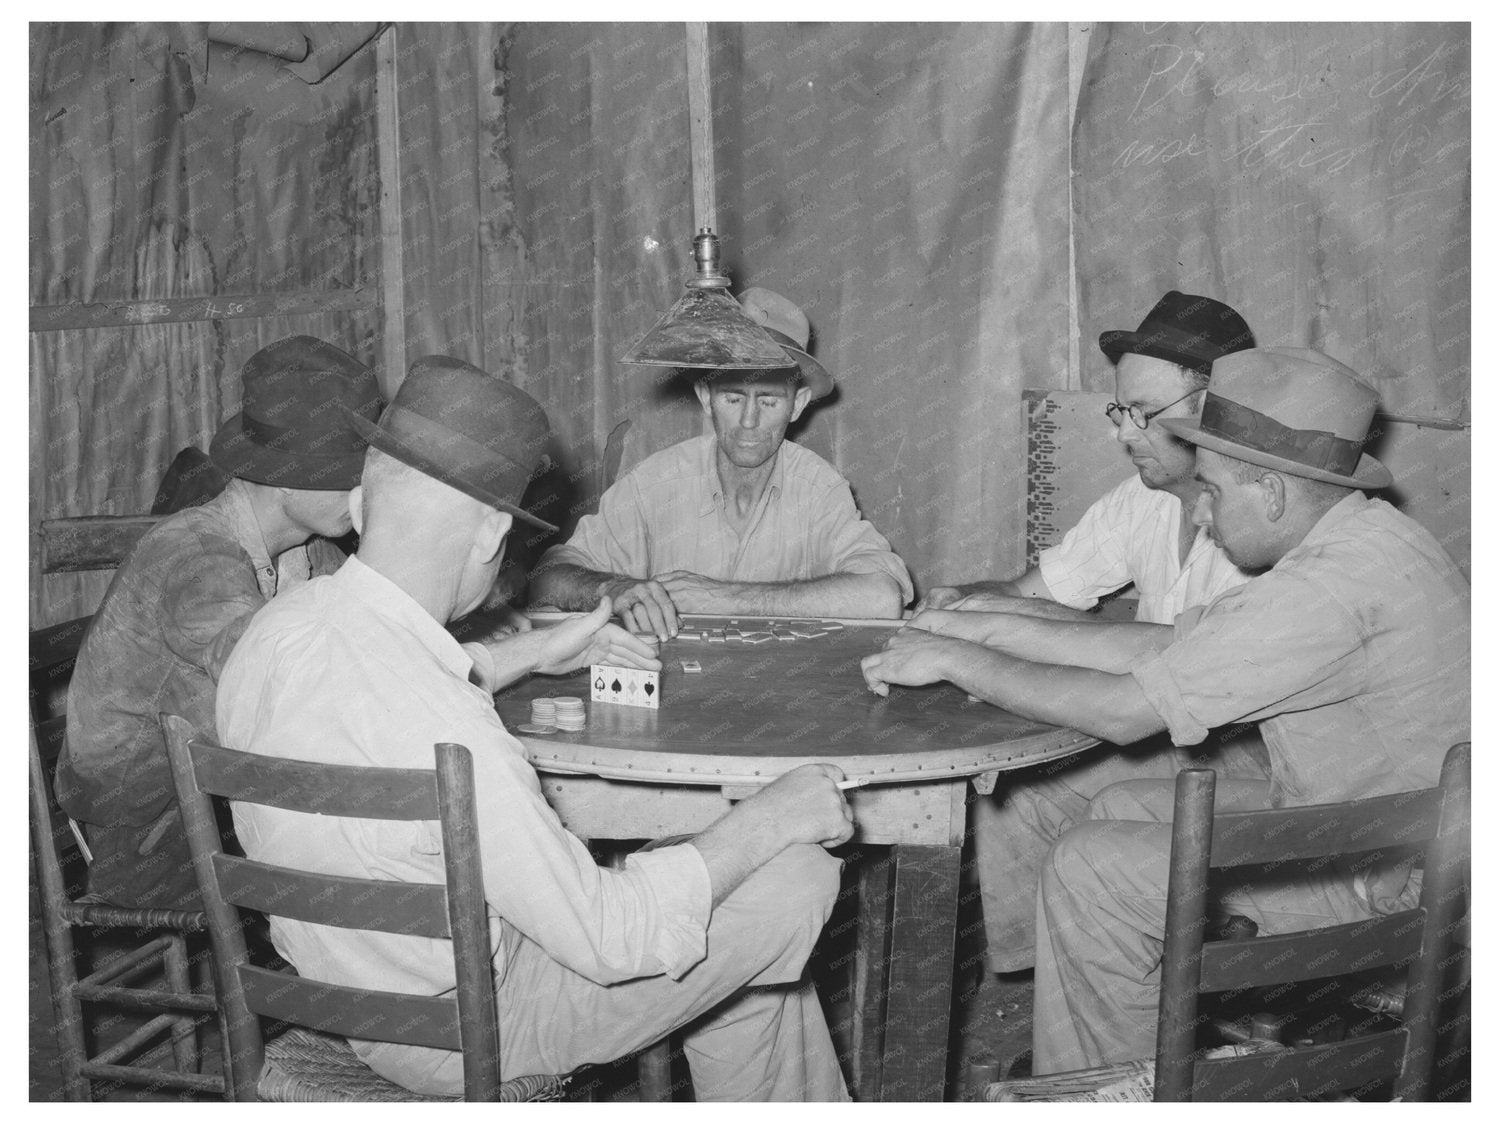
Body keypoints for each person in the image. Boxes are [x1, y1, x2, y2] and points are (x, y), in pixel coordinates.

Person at [217, 356, 855, 1100]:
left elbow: (391, 689)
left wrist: (539, 649)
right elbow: (612, 941)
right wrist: (774, 815)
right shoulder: (457, 733)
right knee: (794, 874)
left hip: (347, 996)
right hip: (466, 1035)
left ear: (361, 505)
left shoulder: (277, 631)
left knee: (722, 913)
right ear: (490, 533)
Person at [860, 348, 1471, 1073]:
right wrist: (988, 625)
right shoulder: (1362, 541)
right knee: (1119, 804)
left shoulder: (1326, 589)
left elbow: (1124, 711)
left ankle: (1108, 1091)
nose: (1201, 514)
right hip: (1388, 833)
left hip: (1384, 881)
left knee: (1093, 868)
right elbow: (1171, 644)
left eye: (1210, 490)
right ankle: (1144, 1047)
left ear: (1272, 492)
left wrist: (960, 662)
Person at [921, 291, 1264, 974]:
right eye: (1120, 411)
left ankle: (1196, 973)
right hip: (1170, 732)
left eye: (1143, 414)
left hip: (1250, 753)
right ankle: (1052, 980)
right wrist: (959, 602)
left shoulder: (1262, 515)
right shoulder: (1141, 499)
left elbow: (1177, 664)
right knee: (1012, 794)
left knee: (1081, 803)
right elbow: (1033, 594)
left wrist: (978, 639)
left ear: (1215, 409)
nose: (1122, 434)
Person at [55, 336, 381, 909]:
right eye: (349, 475)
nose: (365, 493)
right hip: (147, 834)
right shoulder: (196, 558)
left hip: (222, 798)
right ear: (284, 476)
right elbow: (281, 683)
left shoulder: (308, 549)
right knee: (379, 859)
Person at [530, 288, 911, 637]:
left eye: (768, 401)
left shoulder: (819, 488)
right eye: (732, 399)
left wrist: (722, 598)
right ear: (705, 398)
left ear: (796, 404)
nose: (749, 421)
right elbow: (547, 578)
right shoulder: (655, 483)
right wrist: (614, 588)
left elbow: (882, 597)